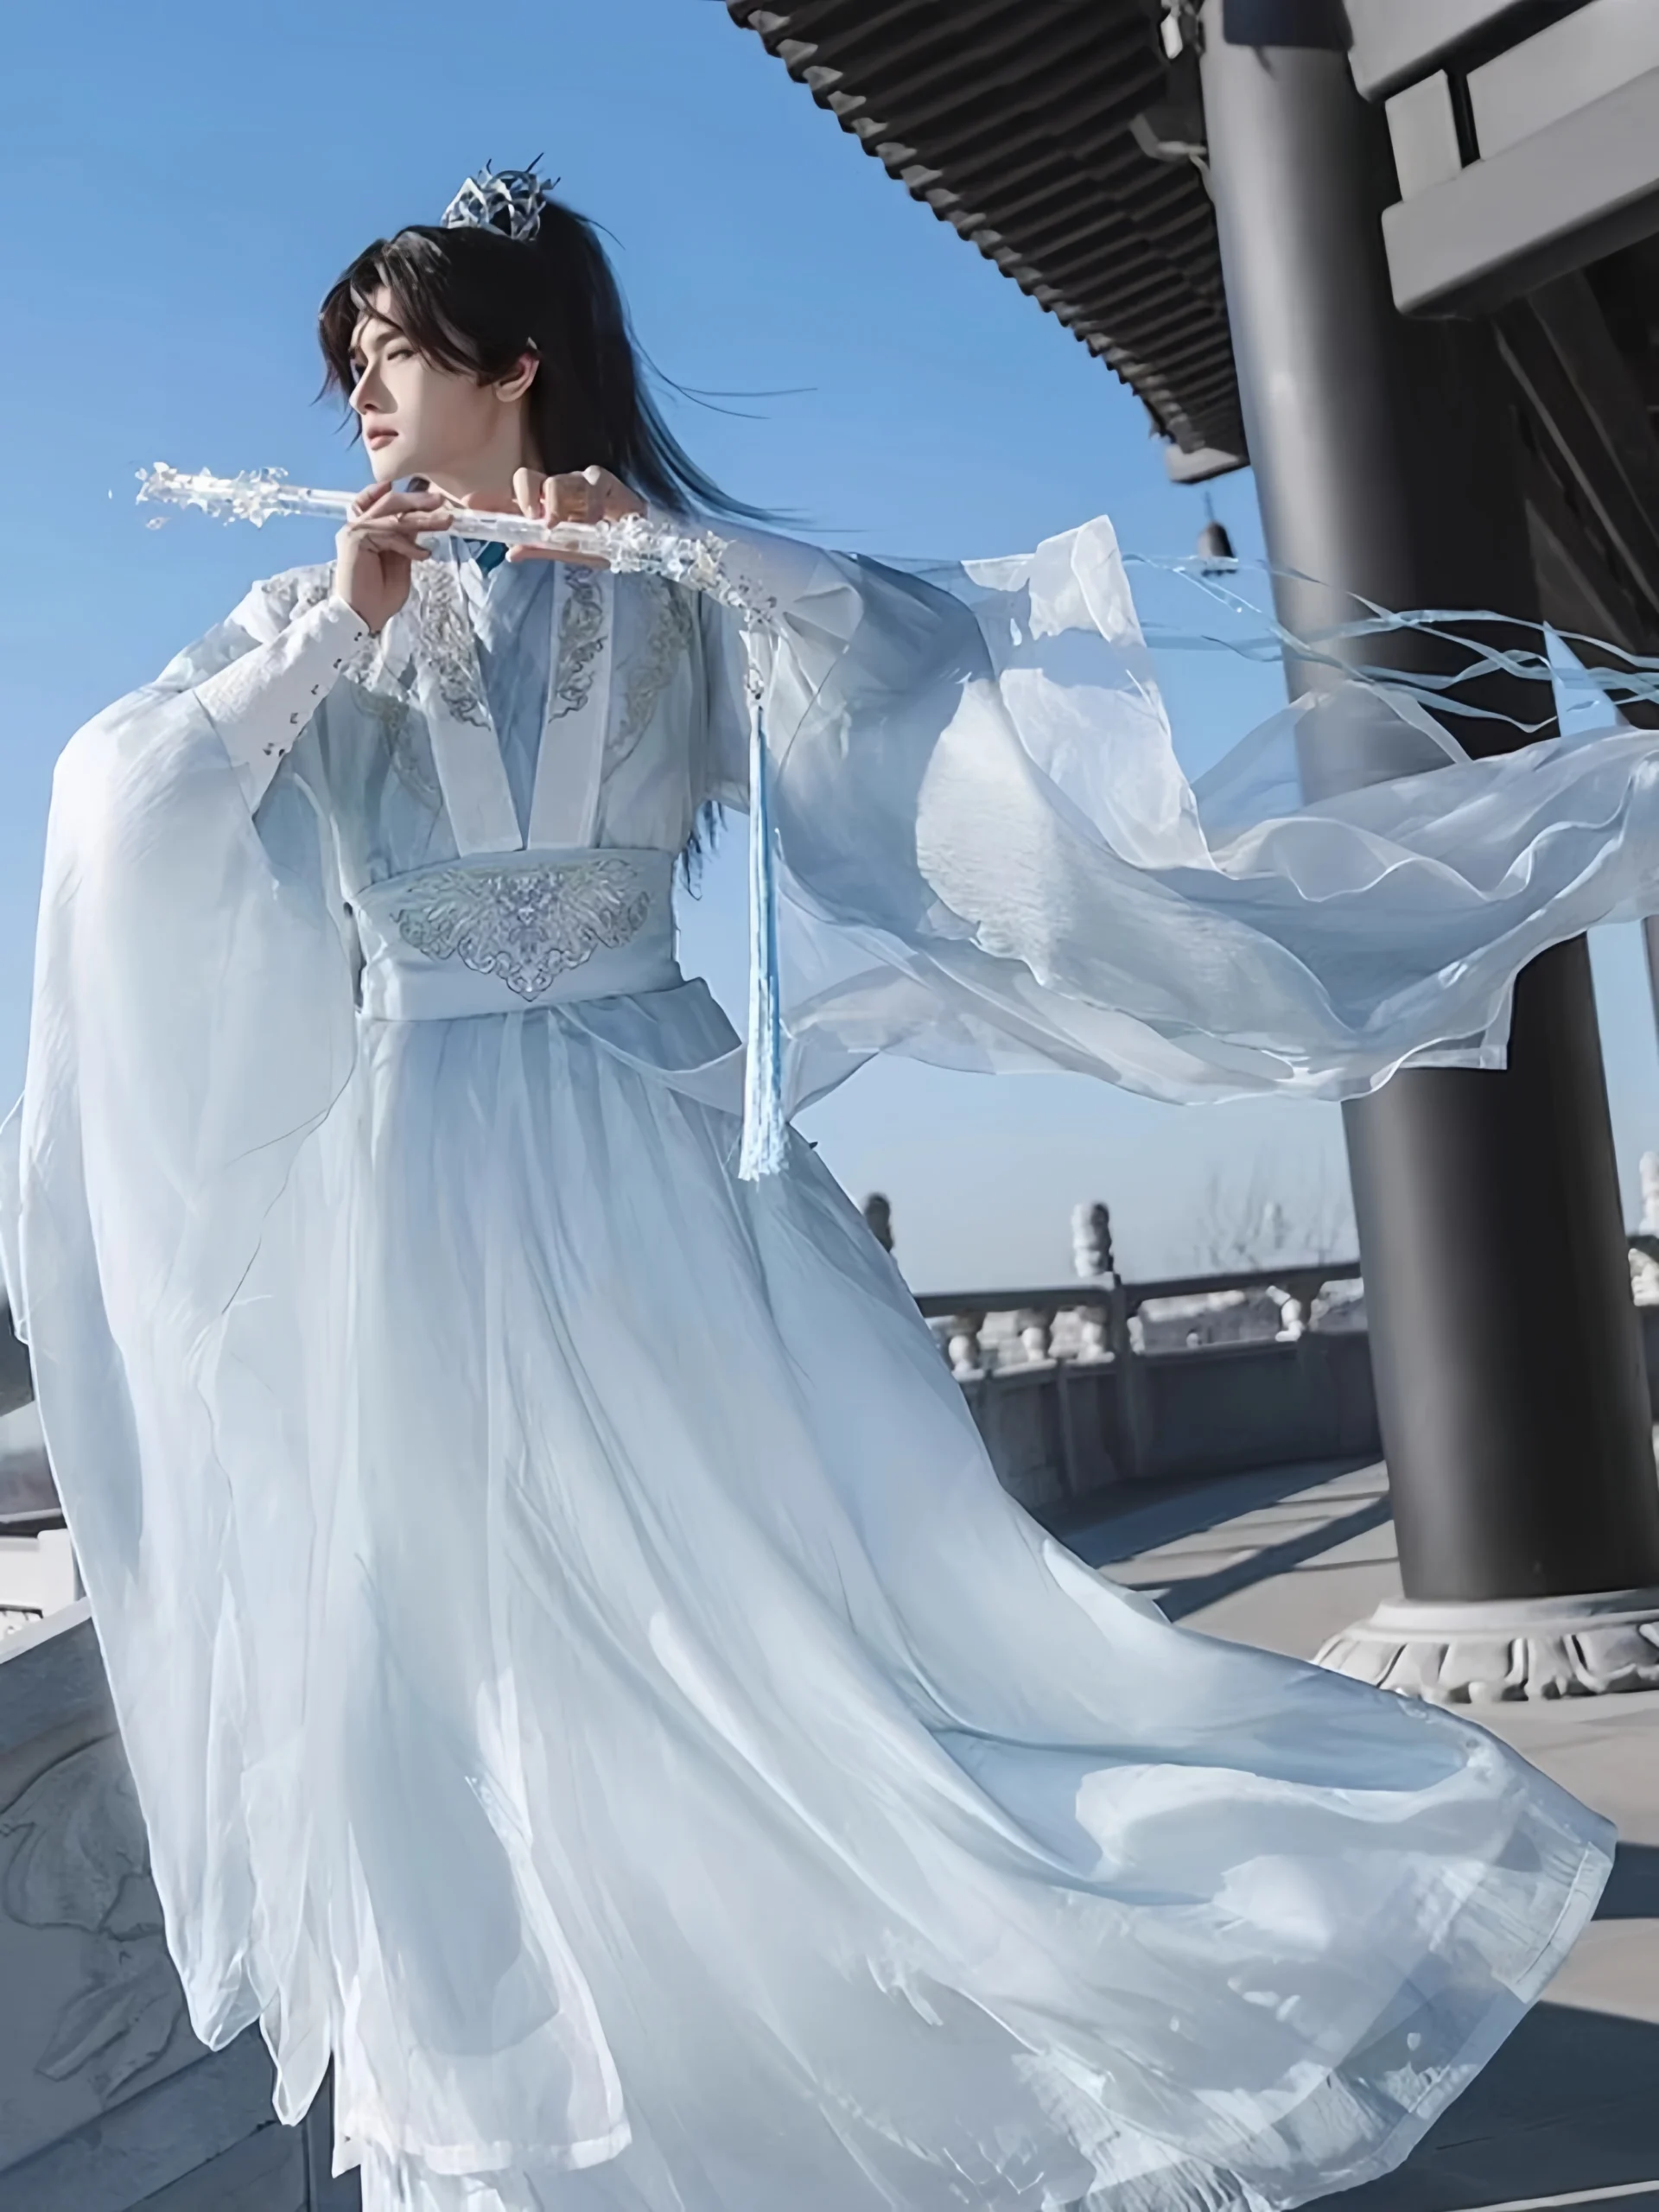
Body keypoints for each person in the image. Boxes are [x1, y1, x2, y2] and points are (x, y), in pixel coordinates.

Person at [4, 163, 1651, 2212]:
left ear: (516, 366)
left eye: (395, 348)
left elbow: (905, 655)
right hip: (415, 1190)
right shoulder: (316, 608)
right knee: (461, 1673)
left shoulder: (680, 595)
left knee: (793, 1633)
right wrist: (326, 638)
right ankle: (528, 2150)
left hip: (662, 1165)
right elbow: (119, 799)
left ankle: (878, 2071)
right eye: (346, 356)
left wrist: (677, 541)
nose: (358, 387)